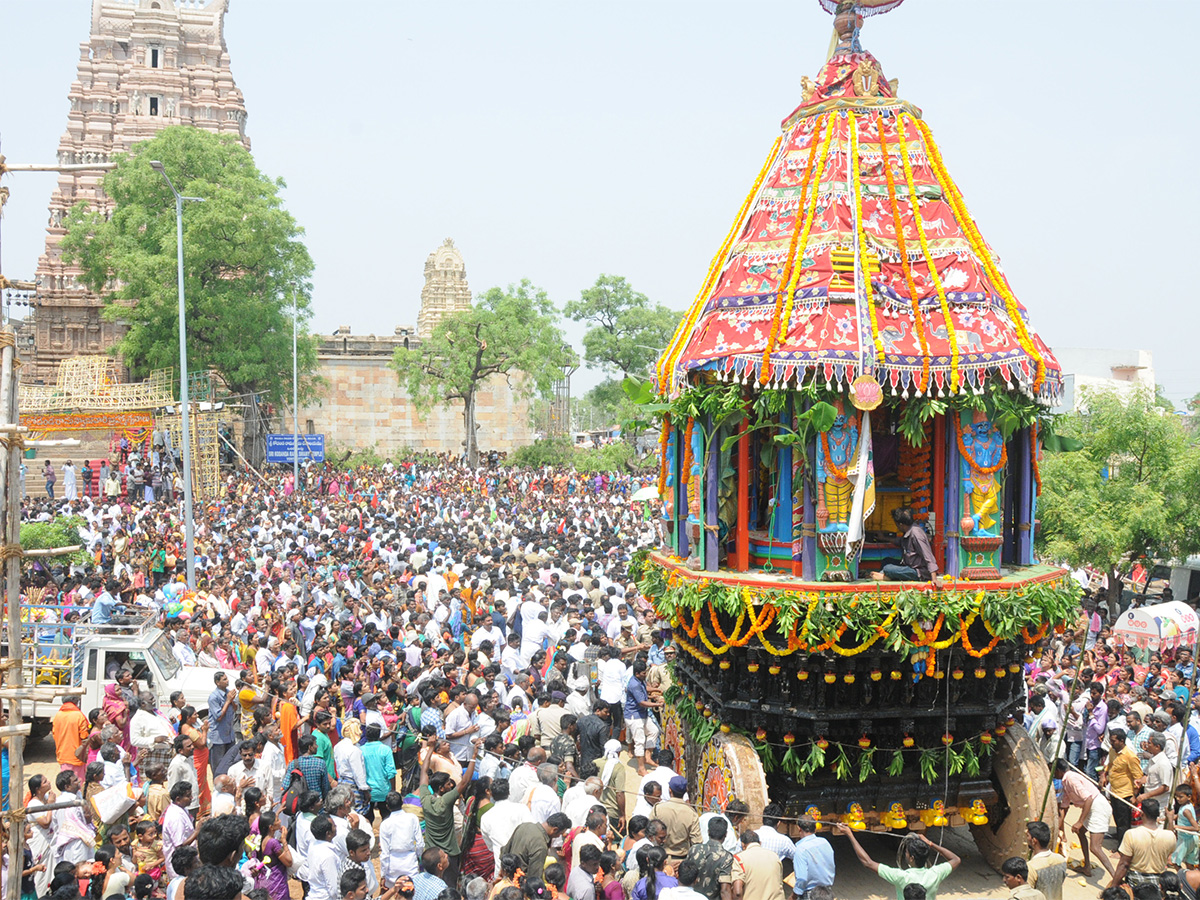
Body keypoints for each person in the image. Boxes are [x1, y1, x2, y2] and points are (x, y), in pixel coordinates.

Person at [834, 825, 959, 900]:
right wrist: (931, 844)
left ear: (911, 858)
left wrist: (850, 835)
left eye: (907, 853)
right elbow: (955, 859)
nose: (905, 854)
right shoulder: (935, 874)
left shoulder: (901, 877)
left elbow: (867, 862)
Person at [1054, 757, 1116, 880]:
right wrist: (1058, 830)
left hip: (1097, 806)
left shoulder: (1071, 778)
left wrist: (1080, 821)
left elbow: (1088, 798)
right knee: (1081, 832)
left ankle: (1116, 878)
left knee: (1095, 847)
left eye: (1054, 771)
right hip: (1092, 807)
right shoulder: (1066, 781)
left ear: (1059, 771)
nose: (1054, 775)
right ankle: (1087, 867)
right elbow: (1064, 808)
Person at [1108, 797, 1176, 893]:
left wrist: (1113, 886)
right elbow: (1170, 835)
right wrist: (1170, 819)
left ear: (1141, 813)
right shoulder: (1170, 836)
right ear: (1158, 814)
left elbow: (1124, 864)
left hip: (1135, 881)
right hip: (1158, 883)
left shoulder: (1131, 834)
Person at [871, 507, 943, 587]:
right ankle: (883, 575)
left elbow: (928, 557)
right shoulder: (908, 531)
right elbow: (900, 541)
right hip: (907, 566)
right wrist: (884, 538)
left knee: (888, 568)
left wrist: (934, 579)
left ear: (900, 524)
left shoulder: (916, 534)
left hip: (918, 572)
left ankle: (886, 577)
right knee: (886, 561)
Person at [501, 814, 570, 882]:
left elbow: (504, 851)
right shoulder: (541, 845)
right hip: (519, 884)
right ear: (555, 830)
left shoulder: (524, 826)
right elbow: (534, 878)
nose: (558, 837)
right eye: (560, 834)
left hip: (507, 879)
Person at [683, 817, 734, 900]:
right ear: (725, 834)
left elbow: (685, 875)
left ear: (708, 832)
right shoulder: (726, 857)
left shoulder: (694, 849)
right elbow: (724, 890)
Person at [380, 791, 425, 884]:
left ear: (387, 806)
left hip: (393, 867)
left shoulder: (385, 824)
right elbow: (420, 844)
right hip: (410, 864)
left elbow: (385, 853)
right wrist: (416, 856)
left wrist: (383, 874)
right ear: (402, 803)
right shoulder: (412, 818)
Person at [655, 775, 700, 864]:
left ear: (670, 790)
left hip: (660, 860)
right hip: (681, 861)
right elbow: (697, 842)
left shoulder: (658, 809)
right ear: (685, 792)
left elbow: (650, 832)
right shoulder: (692, 813)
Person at [731, 830, 785, 900]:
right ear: (760, 843)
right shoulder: (775, 856)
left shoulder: (739, 859)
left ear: (743, 845)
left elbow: (737, 892)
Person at [790, 816, 834, 899]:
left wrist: (794, 896)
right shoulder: (825, 842)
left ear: (799, 828)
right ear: (815, 828)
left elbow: (802, 878)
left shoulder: (801, 849)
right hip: (827, 892)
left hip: (810, 894)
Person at [1025, 821, 1065, 900]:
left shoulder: (1031, 867)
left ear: (1034, 841)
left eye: (1027, 835)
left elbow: (1028, 895)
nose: (1026, 838)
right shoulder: (1060, 859)